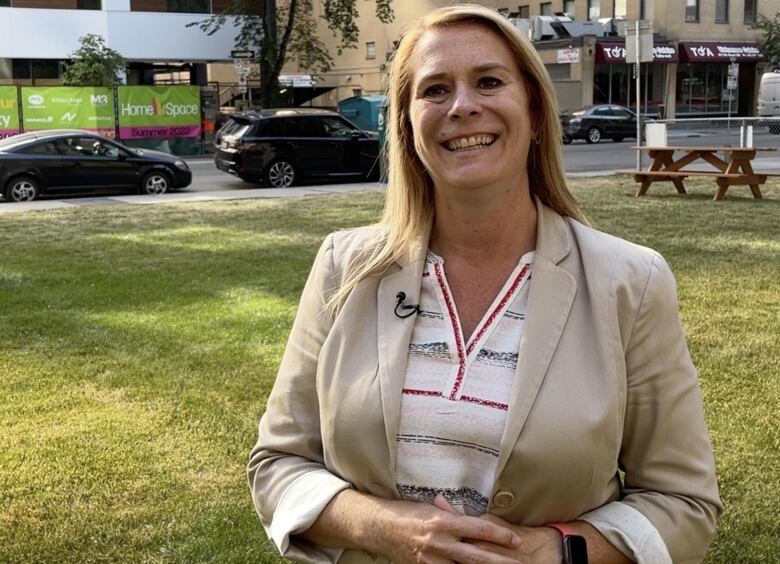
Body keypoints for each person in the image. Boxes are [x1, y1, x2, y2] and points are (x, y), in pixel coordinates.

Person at [248, 5, 722, 563]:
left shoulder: (630, 283)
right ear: (406, 126)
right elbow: (277, 466)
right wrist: (389, 528)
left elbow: (683, 503)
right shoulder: (344, 268)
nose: (463, 107)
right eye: (435, 90)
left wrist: (553, 552)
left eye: (489, 81)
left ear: (536, 112)